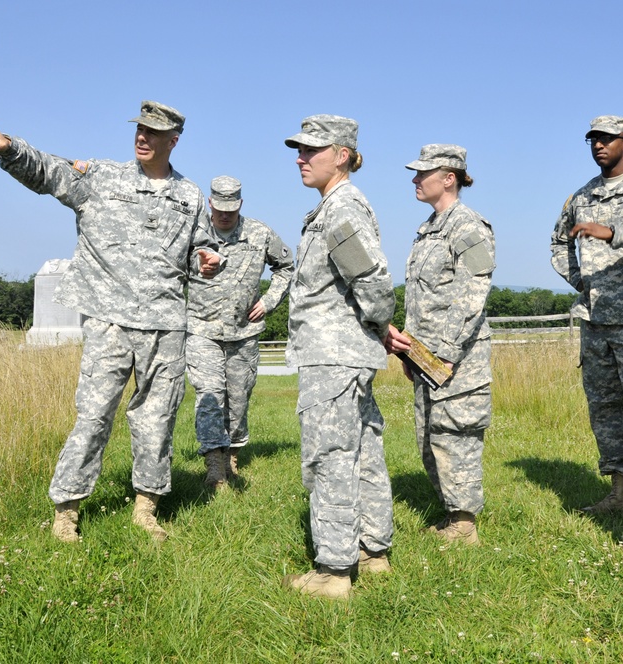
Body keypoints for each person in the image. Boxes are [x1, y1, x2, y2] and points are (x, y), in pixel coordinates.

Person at [0, 101, 223, 544]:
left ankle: (146, 508)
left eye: (154, 133)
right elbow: (47, 172)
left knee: (157, 419)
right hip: (109, 321)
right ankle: (66, 511)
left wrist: (209, 258)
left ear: (173, 140)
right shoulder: (100, 177)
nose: (142, 137)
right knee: (94, 416)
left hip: (165, 324)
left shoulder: (190, 195)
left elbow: (203, 245)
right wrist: (6, 148)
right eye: (139, 129)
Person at [280, 115, 396, 599]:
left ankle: (333, 570)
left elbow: (373, 286)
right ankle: (373, 552)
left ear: (342, 155)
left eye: (313, 149)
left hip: (334, 355)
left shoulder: (340, 210)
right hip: (346, 354)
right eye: (299, 149)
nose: (301, 158)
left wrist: (379, 324)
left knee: (329, 457)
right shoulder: (333, 208)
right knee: (363, 451)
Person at [550, 117, 623, 532]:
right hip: (595, 319)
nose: (599, 146)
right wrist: (582, 282)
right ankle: (619, 494)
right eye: (593, 140)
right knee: (605, 408)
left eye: (607, 139)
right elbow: (558, 243)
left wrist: (613, 232)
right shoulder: (581, 196)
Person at [385, 144, 495, 546]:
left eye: (423, 173)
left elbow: (472, 293)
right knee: (430, 438)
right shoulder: (430, 227)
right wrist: (414, 354)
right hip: (427, 358)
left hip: (456, 359)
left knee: (455, 436)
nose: (415, 180)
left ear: (449, 178)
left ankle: (464, 525)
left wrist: (444, 354)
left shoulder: (467, 226)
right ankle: (452, 514)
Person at [185, 175, 293, 489]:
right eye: (219, 208)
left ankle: (231, 454)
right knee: (209, 397)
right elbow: (171, 265)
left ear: (240, 204)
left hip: (244, 334)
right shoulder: (195, 231)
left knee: (238, 399)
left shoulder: (259, 233)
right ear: (210, 203)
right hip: (203, 330)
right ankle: (215, 468)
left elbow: (286, 266)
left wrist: (270, 300)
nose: (225, 214)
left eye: (231, 209)